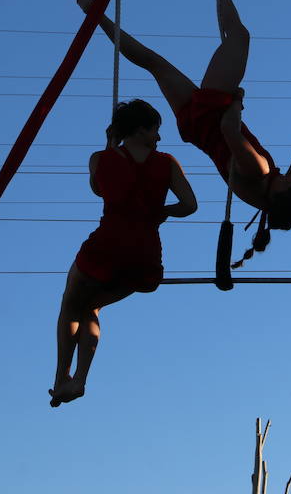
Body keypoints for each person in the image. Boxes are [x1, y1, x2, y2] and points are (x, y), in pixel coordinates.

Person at [76, 0, 291, 264]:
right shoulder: (264, 194)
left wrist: (237, 100)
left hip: (215, 114)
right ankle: (95, 13)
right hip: (196, 129)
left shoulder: (259, 169)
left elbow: (229, 128)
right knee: (154, 63)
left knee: (239, 36)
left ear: (280, 194)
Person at [49, 99, 197, 407]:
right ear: (141, 129)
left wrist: (109, 145)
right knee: (92, 308)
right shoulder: (167, 163)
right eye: (156, 130)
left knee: (71, 303)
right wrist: (161, 211)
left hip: (107, 245)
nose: (158, 138)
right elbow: (190, 205)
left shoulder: (99, 159)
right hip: (144, 254)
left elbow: (99, 189)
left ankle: (63, 378)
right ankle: (79, 380)